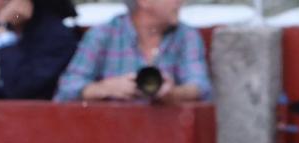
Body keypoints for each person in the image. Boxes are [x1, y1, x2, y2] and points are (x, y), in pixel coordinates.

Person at [55, 0, 210, 102]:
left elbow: (202, 88)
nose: (180, 2)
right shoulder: (103, 34)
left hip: (169, 137)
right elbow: (66, 90)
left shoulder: (186, 35)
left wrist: (172, 93)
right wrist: (104, 88)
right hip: (111, 135)